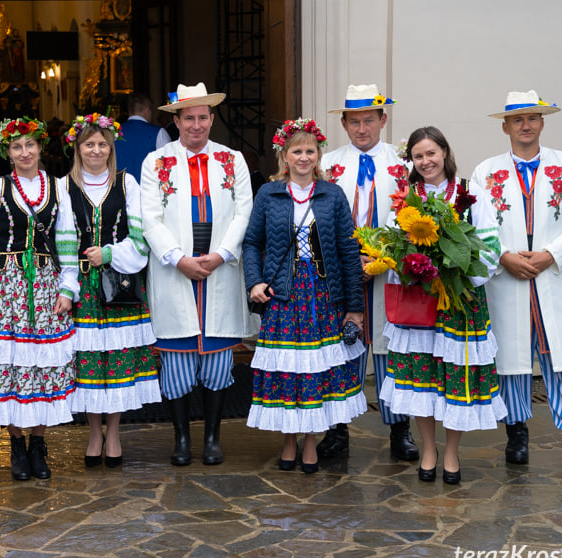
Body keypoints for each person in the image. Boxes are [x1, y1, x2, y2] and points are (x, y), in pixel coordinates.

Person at [470, 90, 562, 477]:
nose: (526, 125)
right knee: (511, 362)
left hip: (552, 276)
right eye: (518, 119)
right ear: (504, 126)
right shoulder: (485, 172)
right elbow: (478, 227)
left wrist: (550, 255)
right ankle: (516, 434)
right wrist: (504, 256)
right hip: (507, 277)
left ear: (542, 123)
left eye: (533, 118)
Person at [379, 127, 506, 484]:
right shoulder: (405, 199)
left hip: (460, 299)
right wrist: (410, 267)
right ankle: (428, 448)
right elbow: (392, 248)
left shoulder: (469, 192)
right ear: (412, 161)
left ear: (445, 152)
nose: (426, 161)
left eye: (431, 153)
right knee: (422, 378)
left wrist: (460, 274)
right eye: (418, 156)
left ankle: (451, 452)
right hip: (421, 302)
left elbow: (491, 246)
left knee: (455, 379)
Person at [0, 117, 79, 480]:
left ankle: (38, 444)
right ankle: (15, 444)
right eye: (16, 146)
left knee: (42, 365)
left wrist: (67, 289)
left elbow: (67, 243)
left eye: (30, 145)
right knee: (9, 367)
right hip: (2, 287)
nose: (25, 152)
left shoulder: (57, 189)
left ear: (41, 148)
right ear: (7, 152)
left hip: (45, 286)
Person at [243, 118, 366, 473]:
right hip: (283, 293)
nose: (303, 157)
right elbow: (253, 242)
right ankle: (287, 441)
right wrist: (254, 281)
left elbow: (347, 249)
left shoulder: (333, 194)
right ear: (284, 154)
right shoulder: (269, 194)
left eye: (310, 150)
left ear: (318, 154)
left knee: (314, 371)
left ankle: (311, 441)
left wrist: (353, 308)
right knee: (288, 369)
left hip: (323, 295)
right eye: (296, 150)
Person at [141, 82, 253, 466]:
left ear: (212, 118)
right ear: (175, 121)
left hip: (219, 267)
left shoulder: (232, 160)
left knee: (219, 362)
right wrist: (178, 259)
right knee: (177, 361)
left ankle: (212, 438)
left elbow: (243, 212)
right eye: (188, 118)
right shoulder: (156, 163)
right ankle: (182, 439)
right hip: (177, 269)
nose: (196, 125)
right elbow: (150, 219)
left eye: (202, 117)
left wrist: (221, 254)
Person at [319, 84, 419, 462]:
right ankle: (338, 428)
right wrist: (350, 261)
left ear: (383, 120)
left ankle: (400, 427)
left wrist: (386, 254)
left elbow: (414, 217)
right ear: (344, 123)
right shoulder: (328, 165)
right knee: (344, 343)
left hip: (392, 269)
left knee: (391, 345)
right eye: (355, 122)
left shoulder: (403, 163)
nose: (363, 129)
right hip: (346, 269)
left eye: (370, 121)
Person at [61, 113, 160, 467]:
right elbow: (58, 240)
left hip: (119, 283)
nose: (96, 150)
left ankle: (114, 432)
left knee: (118, 360)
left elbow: (141, 239)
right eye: (89, 143)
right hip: (83, 286)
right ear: (77, 147)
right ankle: (92, 433)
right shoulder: (63, 186)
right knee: (88, 361)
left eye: (102, 144)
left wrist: (110, 253)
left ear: (111, 147)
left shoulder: (126, 183)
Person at [115, 92, 171, 182]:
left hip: (118, 191)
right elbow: (168, 166)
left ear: (129, 111)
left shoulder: (114, 132)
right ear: (147, 111)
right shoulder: (159, 133)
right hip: (148, 192)